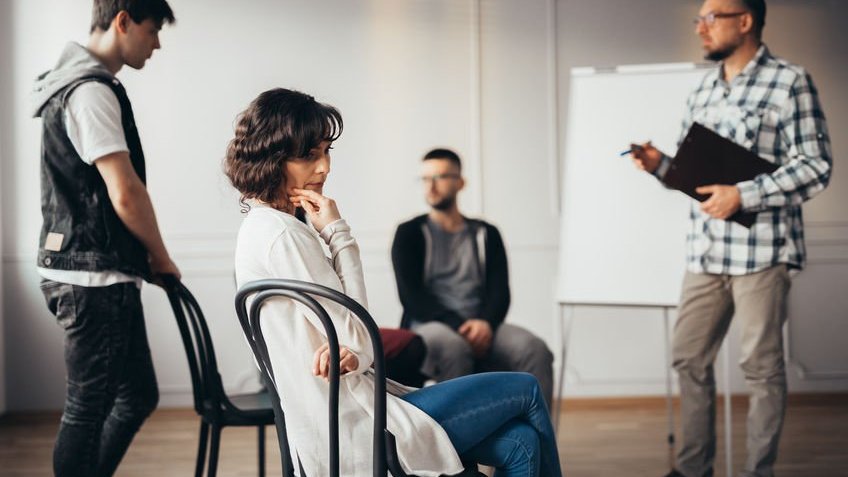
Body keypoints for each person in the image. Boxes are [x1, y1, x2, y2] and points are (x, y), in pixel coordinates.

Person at [227, 88, 563, 477]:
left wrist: (354, 350)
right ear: (272, 158)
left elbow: (352, 342)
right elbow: (360, 334)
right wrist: (339, 234)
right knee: (526, 388)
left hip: (345, 412)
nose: (325, 168)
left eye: (326, 152)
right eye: (309, 155)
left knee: (520, 441)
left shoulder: (262, 228)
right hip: (358, 422)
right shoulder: (285, 235)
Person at [627, 1, 832, 476]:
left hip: (762, 252)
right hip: (705, 252)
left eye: (711, 16)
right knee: (688, 359)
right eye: (697, 18)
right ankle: (694, 468)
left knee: (761, 369)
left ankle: (758, 471)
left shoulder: (790, 81)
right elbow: (695, 176)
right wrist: (661, 164)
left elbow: (816, 165)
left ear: (745, 21)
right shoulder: (702, 88)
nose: (700, 26)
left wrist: (744, 194)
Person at [30, 1, 178, 476]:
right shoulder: (90, 92)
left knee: (138, 396)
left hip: (91, 270)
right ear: (123, 21)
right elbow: (125, 192)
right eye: (153, 30)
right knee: (87, 408)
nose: (156, 44)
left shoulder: (80, 85)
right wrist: (160, 256)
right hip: (92, 278)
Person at [391, 148, 555, 407]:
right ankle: (460, 444)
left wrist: (485, 324)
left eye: (441, 177)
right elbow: (412, 297)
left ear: (460, 182)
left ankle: (540, 443)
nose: (431, 187)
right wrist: (460, 326)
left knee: (534, 349)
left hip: (483, 323)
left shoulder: (486, 233)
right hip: (429, 325)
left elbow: (500, 291)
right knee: (454, 347)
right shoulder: (409, 233)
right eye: (425, 179)